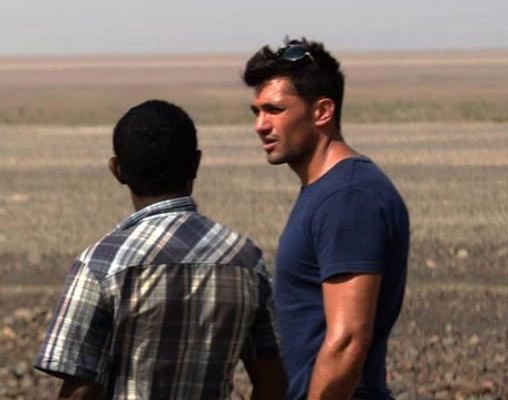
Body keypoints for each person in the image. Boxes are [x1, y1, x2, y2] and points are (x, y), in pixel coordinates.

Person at [33, 100, 288, 400]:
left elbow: (80, 389)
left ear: (117, 170)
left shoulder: (101, 263)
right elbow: (273, 380)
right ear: (195, 164)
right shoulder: (245, 259)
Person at [243, 38, 411, 400]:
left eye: (274, 110)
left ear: (322, 112)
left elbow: (348, 339)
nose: (260, 125)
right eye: (256, 111)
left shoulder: (348, 198)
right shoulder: (328, 191)